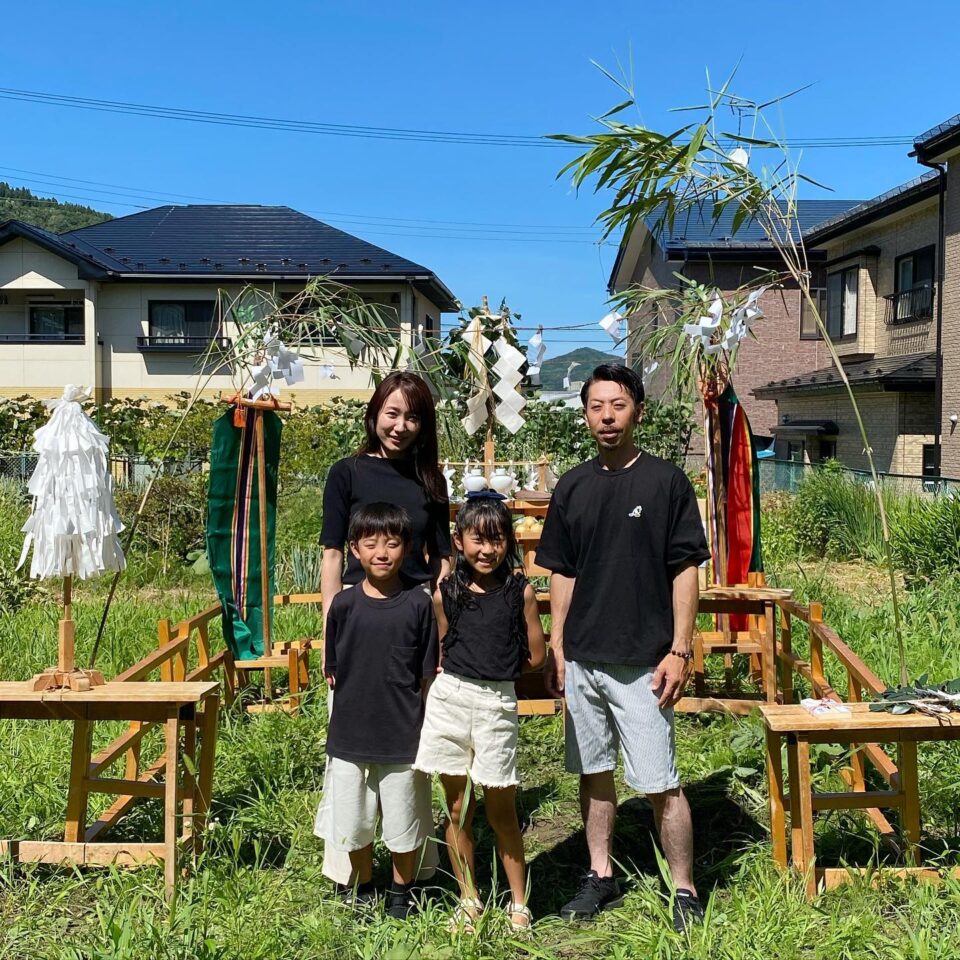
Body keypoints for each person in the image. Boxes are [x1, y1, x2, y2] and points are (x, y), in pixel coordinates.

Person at [535, 364, 710, 933]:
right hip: (584, 656)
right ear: (585, 413)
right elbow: (561, 571)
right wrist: (559, 644)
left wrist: (680, 648)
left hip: (644, 660)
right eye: (595, 407)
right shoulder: (574, 485)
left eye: (617, 405)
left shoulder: (665, 483)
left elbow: (686, 568)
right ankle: (600, 875)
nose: (606, 416)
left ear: (637, 410)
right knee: (593, 771)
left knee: (659, 779)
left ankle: (683, 889)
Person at [319, 371, 451, 892]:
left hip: (411, 625)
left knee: (409, 752)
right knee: (348, 753)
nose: (401, 425)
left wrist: (431, 616)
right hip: (356, 625)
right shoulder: (346, 472)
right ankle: (347, 870)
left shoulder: (429, 480)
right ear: (374, 414)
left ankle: (412, 868)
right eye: (392, 413)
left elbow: (442, 559)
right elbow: (332, 553)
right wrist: (335, 625)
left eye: (413, 416)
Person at [414, 492, 546, 932]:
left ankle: (519, 903)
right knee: (456, 809)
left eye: (496, 540)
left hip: (495, 704)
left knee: (501, 810)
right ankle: (469, 898)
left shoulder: (519, 592)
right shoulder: (445, 593)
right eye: (477, 540)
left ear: (509, 542)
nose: (487, 550)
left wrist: (501, 665)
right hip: (450, 699)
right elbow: (443, 645)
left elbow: (536, 654)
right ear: (459, 540)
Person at [314, 503, 439, 919]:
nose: (381, 552)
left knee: (404, 820)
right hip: (350, 735)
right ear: (354, 550)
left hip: (403, 736)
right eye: (370, 544)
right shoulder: (344, 607)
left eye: (392, 543)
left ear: (406, 549)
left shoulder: (418, 605)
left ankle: (401, 892)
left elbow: (425, 676)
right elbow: (334, 672)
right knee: (354, 820)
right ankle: (364, 886)